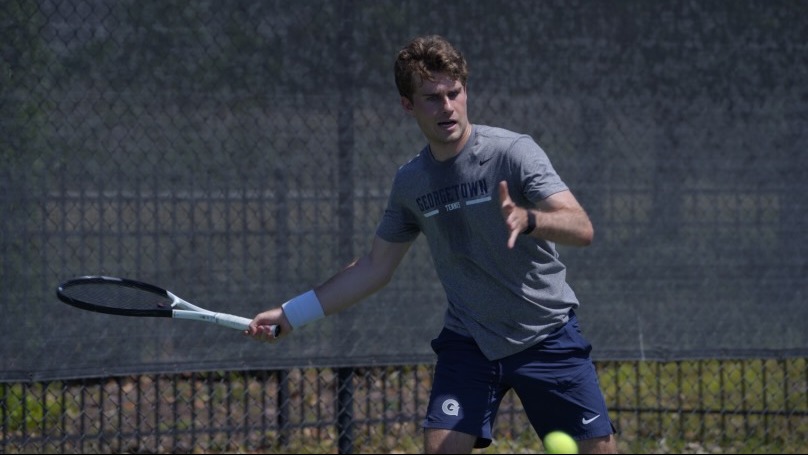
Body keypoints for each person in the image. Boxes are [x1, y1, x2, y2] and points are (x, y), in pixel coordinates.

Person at [247, 34, 618, 454]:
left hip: (546, 335)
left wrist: (530, 219)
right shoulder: (411, 182)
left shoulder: (513, 153)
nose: (447, 107)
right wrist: (290, 314)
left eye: (453, 93)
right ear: (408, 105)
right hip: (470, 342)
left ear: (465, 91)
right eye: (431, 98)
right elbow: (374, 267)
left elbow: (581, 227)